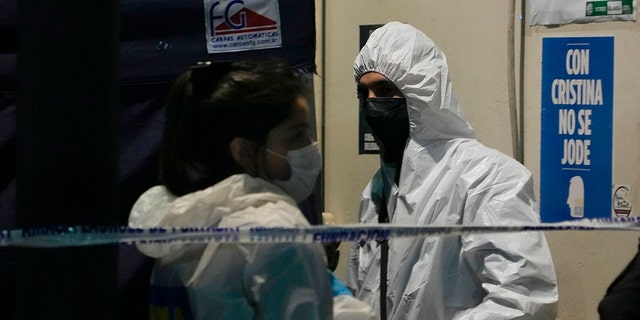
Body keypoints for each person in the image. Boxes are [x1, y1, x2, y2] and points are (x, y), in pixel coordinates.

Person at [346, 22, 559, 319]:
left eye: (384, 90)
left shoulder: (487, 178)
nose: (371, 104)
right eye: (363, 92)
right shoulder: (377, 190)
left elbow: (523, 302)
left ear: (421, 93)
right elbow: (363, 290)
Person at [128, 59, 364, 319]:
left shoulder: (182, 223)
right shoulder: (276, 232)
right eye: (296, 135)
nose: (309, 147)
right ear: (245, 151)